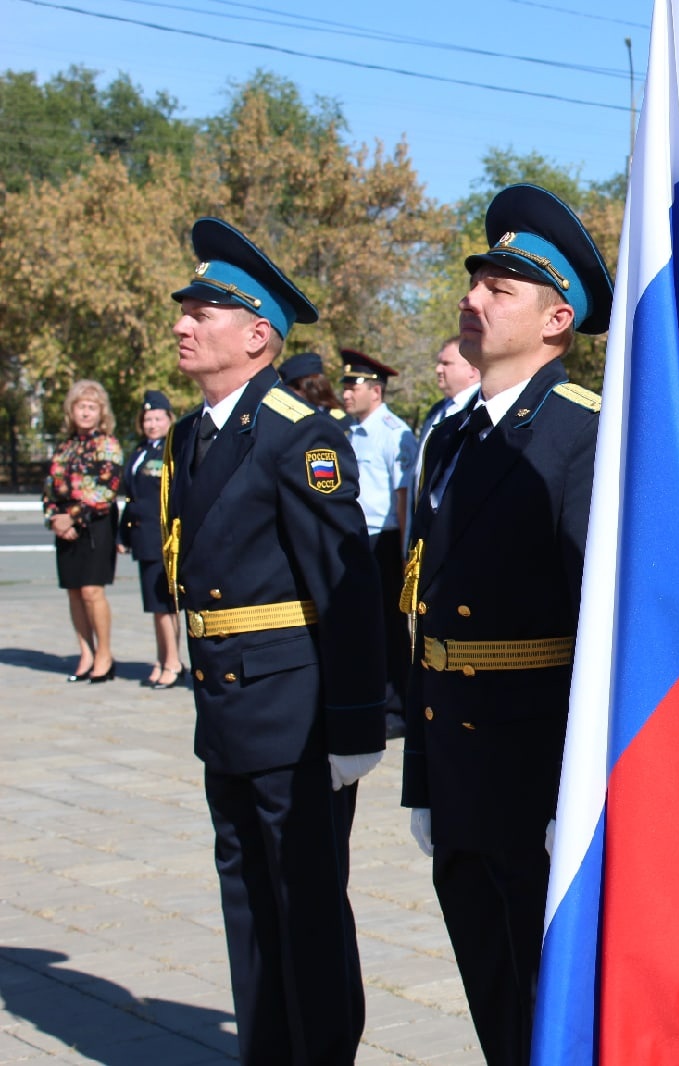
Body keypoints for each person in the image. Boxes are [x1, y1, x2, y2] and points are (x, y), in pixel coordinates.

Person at [167, 217, 387, 1064]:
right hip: (226, 709)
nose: (183, 325)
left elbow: (347, 588)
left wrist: (356, 727)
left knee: (307, 909)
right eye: (185, 312)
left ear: (257, 335)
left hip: (295, 719)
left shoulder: (300, 433)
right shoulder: (191, 435)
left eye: (202, 313)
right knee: (248, 906)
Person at [401, 183, 611, 1066]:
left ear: (558, 318)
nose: (473, 298)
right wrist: (422, 775)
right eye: (475, 282)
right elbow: (427, 618)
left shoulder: (584, 435)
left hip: (536, 777)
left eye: (500, 288)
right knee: (493, 994)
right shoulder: (452, 435)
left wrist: (585, 798)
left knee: (550, 1011)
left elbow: (606, 634)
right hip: (460, 767)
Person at [340, 348, 417, 724]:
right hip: (356, 538)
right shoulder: (349, 431)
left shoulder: (393, 433)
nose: (345, 393)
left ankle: (396, 705)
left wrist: (404, 553)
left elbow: (403, 498)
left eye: (353, 386)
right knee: (362, 623)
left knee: (389, 625)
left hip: (384, 540)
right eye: (344, 386)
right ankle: (372, 697)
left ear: (376, 390)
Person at [43, 378, 123, 683]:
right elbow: (49, 489)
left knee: (91, 591)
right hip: (64, 527)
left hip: (96, 526)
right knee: (74, 592)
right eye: (81, 406)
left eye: (92, 407)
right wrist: (55, 518)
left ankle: (104, 654)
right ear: (71, 410)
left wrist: (72, 518)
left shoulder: (107, 444)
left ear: (101, 412)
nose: (86, 412)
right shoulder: (65, 447)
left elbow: (106, 490)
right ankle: (85, 652)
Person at [117, 389, 185, 689]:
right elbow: (131, 498)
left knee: (164, 605)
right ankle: (162, 659)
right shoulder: (140, 451)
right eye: (147, 419)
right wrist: (123, 534)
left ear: (169, 419)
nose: (152, 424)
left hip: (162, 538)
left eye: (158, 418)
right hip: (142, 536)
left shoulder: (173, 450)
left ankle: (173, 662)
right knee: (155, 606)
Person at [411, 335, 480, 492]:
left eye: (446, 363)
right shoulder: (436, 411)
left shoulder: (479, 410)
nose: (438, 369)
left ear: (472, 369)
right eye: (439, 363)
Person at [280, 350, 352, 429]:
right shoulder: (287, 420)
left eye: (290, 390)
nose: (288, 395)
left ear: (305, 387)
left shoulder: (341, 423)